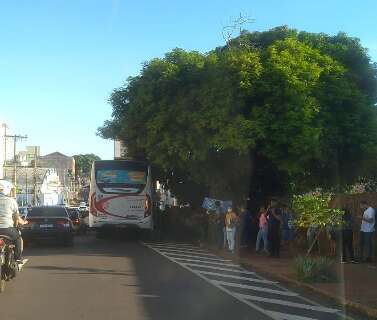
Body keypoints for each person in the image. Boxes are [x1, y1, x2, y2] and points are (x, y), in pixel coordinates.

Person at [0, 180, 28, 266]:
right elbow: (16, 217)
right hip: (7, 229)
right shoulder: (11, 201)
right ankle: (18, 259)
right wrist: (23, 222)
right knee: (18, 239)